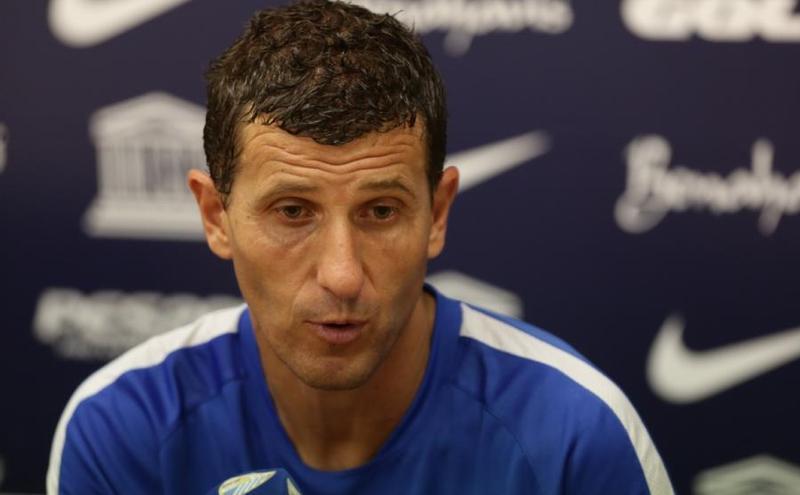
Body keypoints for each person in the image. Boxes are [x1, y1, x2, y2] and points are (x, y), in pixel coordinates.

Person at [46, 1, 674, 493]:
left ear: (438, 212)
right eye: (293, 212)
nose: (343, 276)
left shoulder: (574, 434)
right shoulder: (123, 426)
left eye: (380, 211)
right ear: (216, 216)